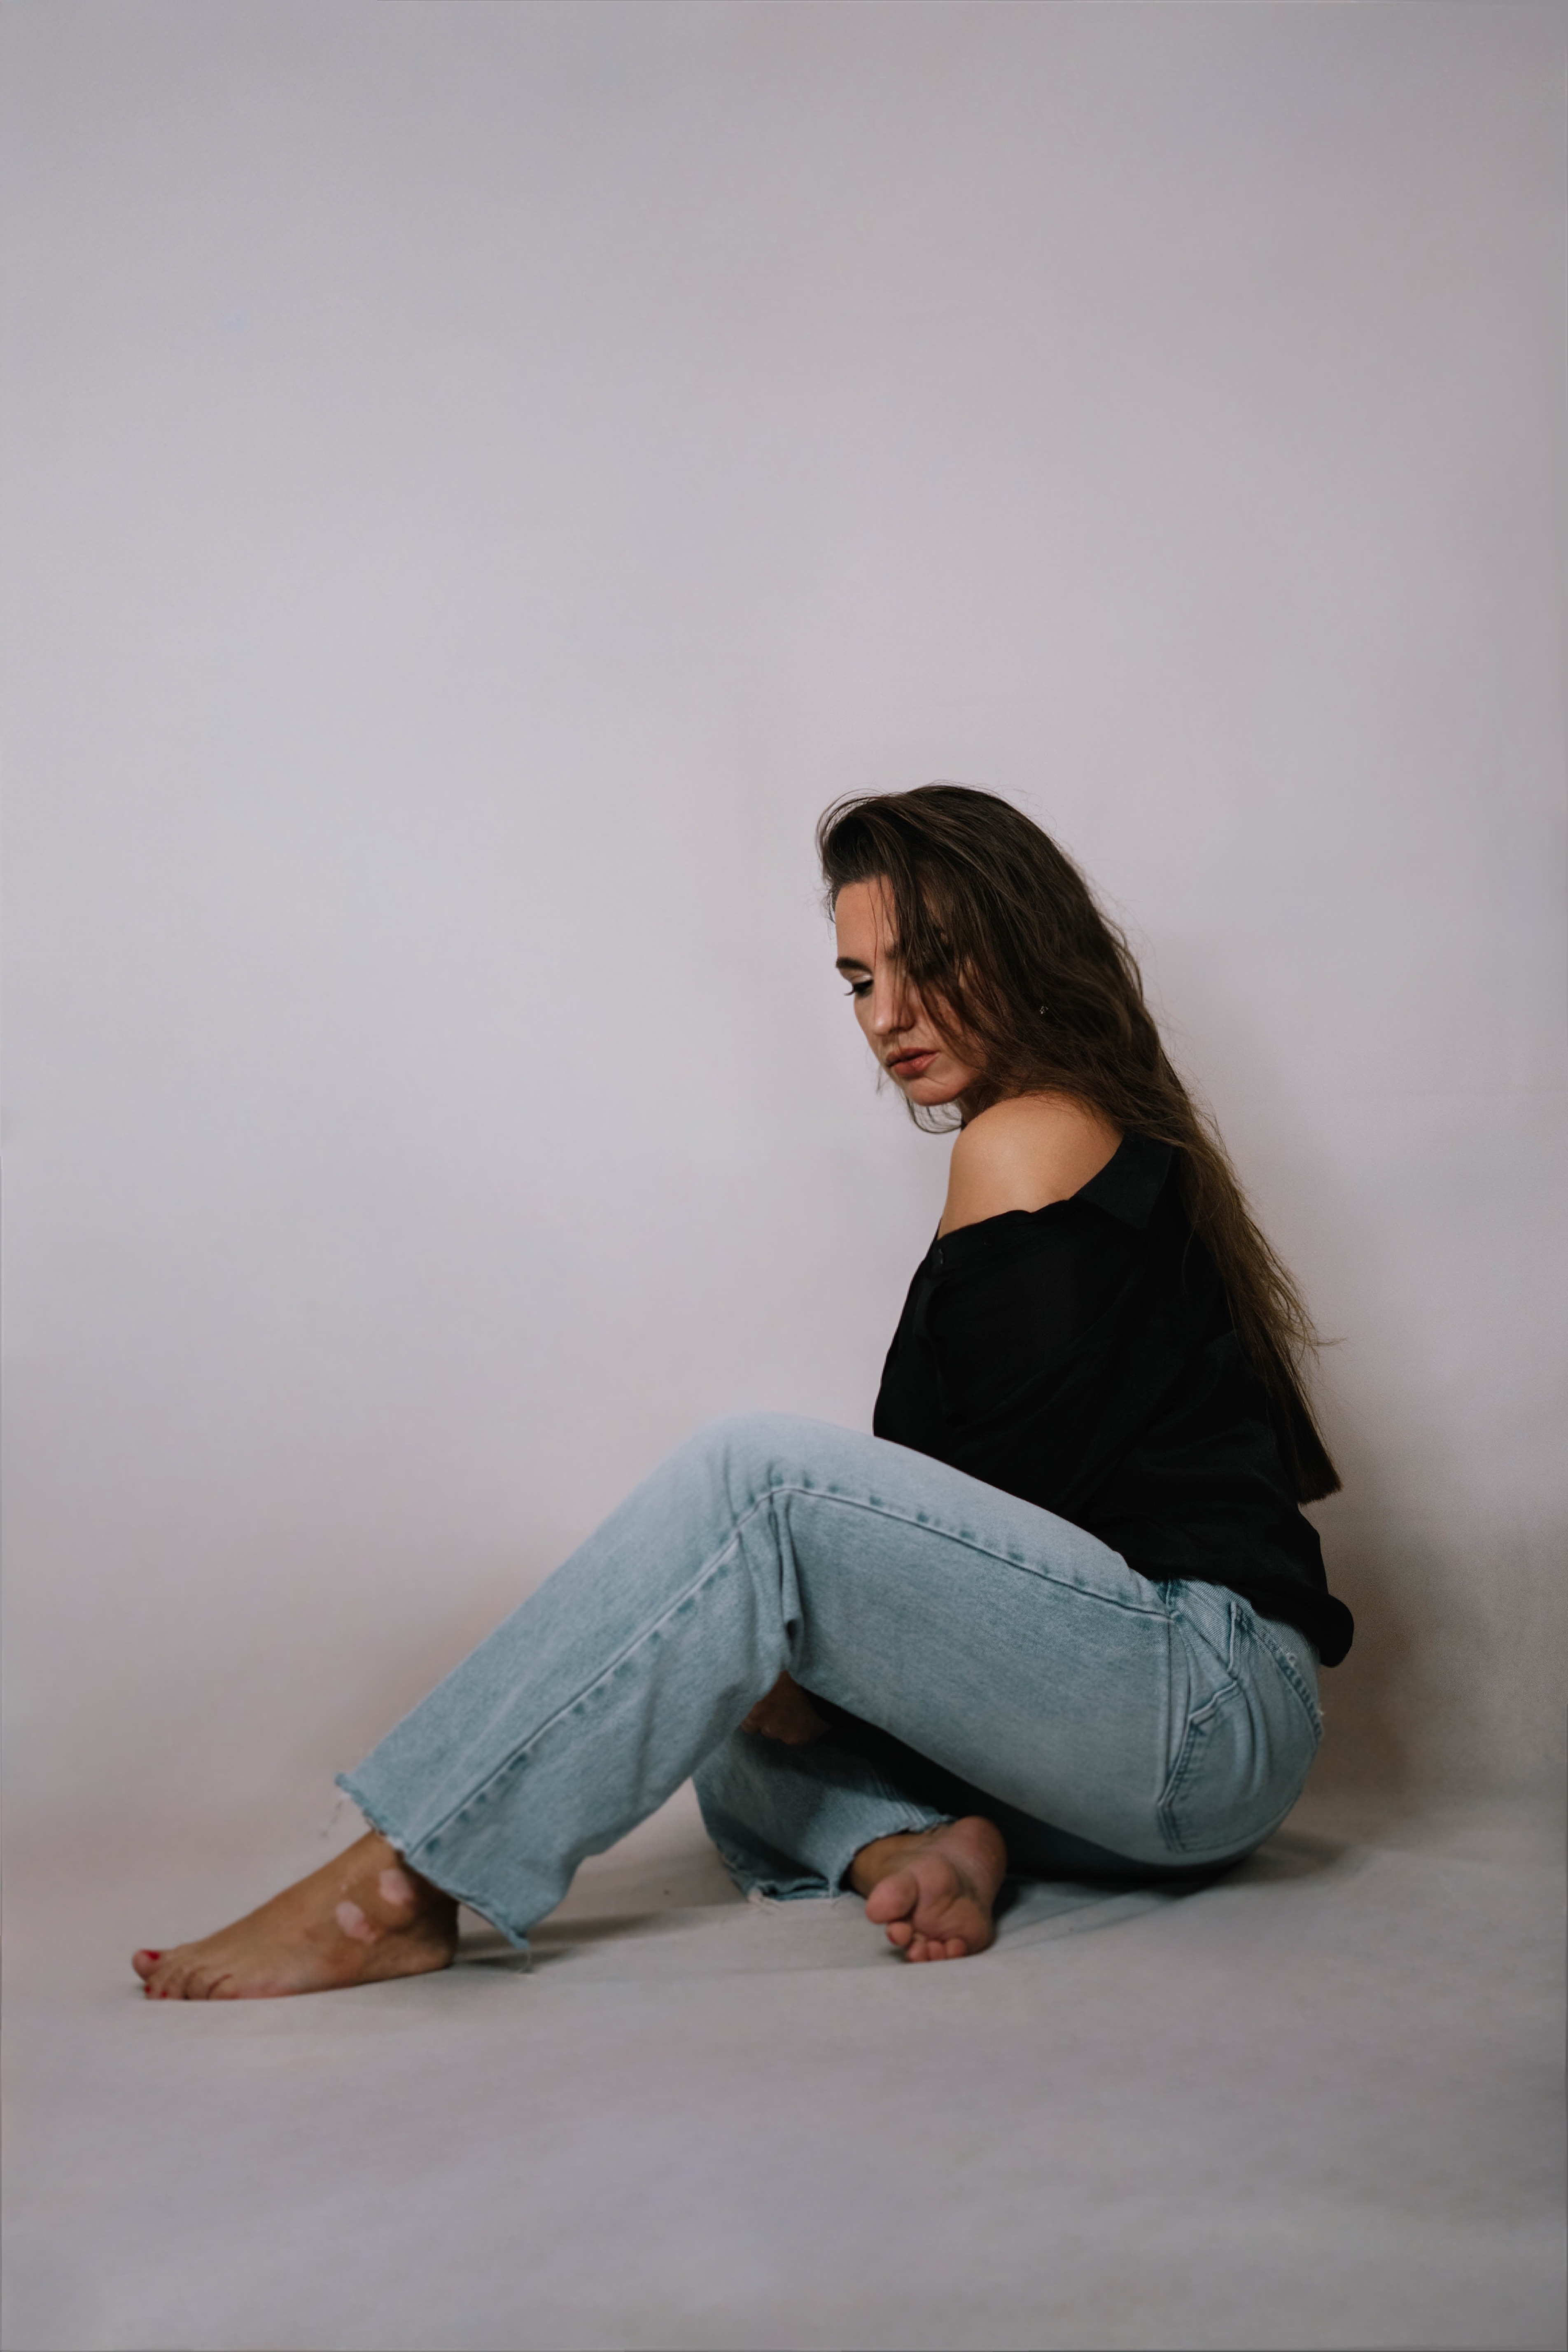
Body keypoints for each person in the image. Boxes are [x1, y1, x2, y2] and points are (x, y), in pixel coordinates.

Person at [133, 784, 1352, 1999]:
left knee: (752, 1490)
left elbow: (1012, 1510)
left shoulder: (1031, 1135)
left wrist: (812, 1679)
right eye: (860, 981)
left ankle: (399, 1883)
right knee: (705, 1693)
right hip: (1134, 1787)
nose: (890, 1015)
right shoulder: (1091, 1138)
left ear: (1028, 948)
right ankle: (917, 1846)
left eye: (929, 962)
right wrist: (778, 1670)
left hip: (1201, 1710)